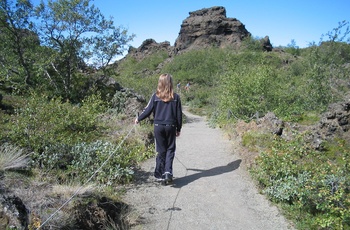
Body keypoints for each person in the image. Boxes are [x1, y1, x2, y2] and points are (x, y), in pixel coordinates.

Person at [135, 74, 182, 182]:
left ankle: (159, 174)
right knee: (170, 149)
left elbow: (147, 111)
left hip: (158, 126)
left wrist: (139, 119)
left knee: (161, 150)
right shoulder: (176, 97)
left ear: (160, 83)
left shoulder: (155, 97)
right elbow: (178, 115)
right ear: (170, 83)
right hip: (171, 126)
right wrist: (178, 129)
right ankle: (168, 172)